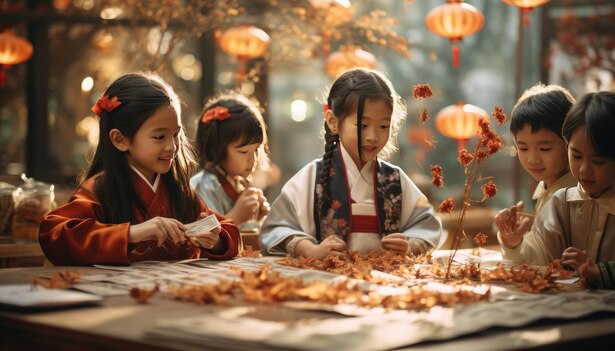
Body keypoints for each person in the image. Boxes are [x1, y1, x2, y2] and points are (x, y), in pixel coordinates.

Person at [39, 72, 240, 265]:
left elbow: (228, 230)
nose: (172, 146)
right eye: (159, 137)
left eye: (176, 134)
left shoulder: (180, 192)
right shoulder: (100, 189)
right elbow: (54, 235)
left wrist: (214, 240)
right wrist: (132, 233)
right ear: (120, 139)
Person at [260, 68, 443, 258]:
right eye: (363, 126)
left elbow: (427, 225)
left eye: (383, 126)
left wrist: (409, 245)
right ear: (333, 121)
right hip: (325, 281)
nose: (373, 137)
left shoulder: (394, 178)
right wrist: (311, 250)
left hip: (384, 282)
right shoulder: (311, 177)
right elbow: (275, 229)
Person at [499, 91, 615, 289]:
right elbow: (541, 259)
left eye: (598, 161)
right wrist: (514, 243)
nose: (584, 169)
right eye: (576, 156)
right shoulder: (561, 203)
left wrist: (600, 273)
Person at [494, 83, 577, 242]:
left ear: (571, 142)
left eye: (544, 148)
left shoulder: (573, 196)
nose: (532, 159)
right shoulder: (546, 187)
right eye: (523, 148)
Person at [190, 94, 270, 231]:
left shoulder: (240, 182)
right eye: (244, 152)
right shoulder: (203, 186)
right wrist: (235, 218)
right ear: (216, 149)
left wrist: (257, 218)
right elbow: (198, 233)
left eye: (256, 149)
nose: (253, 159)